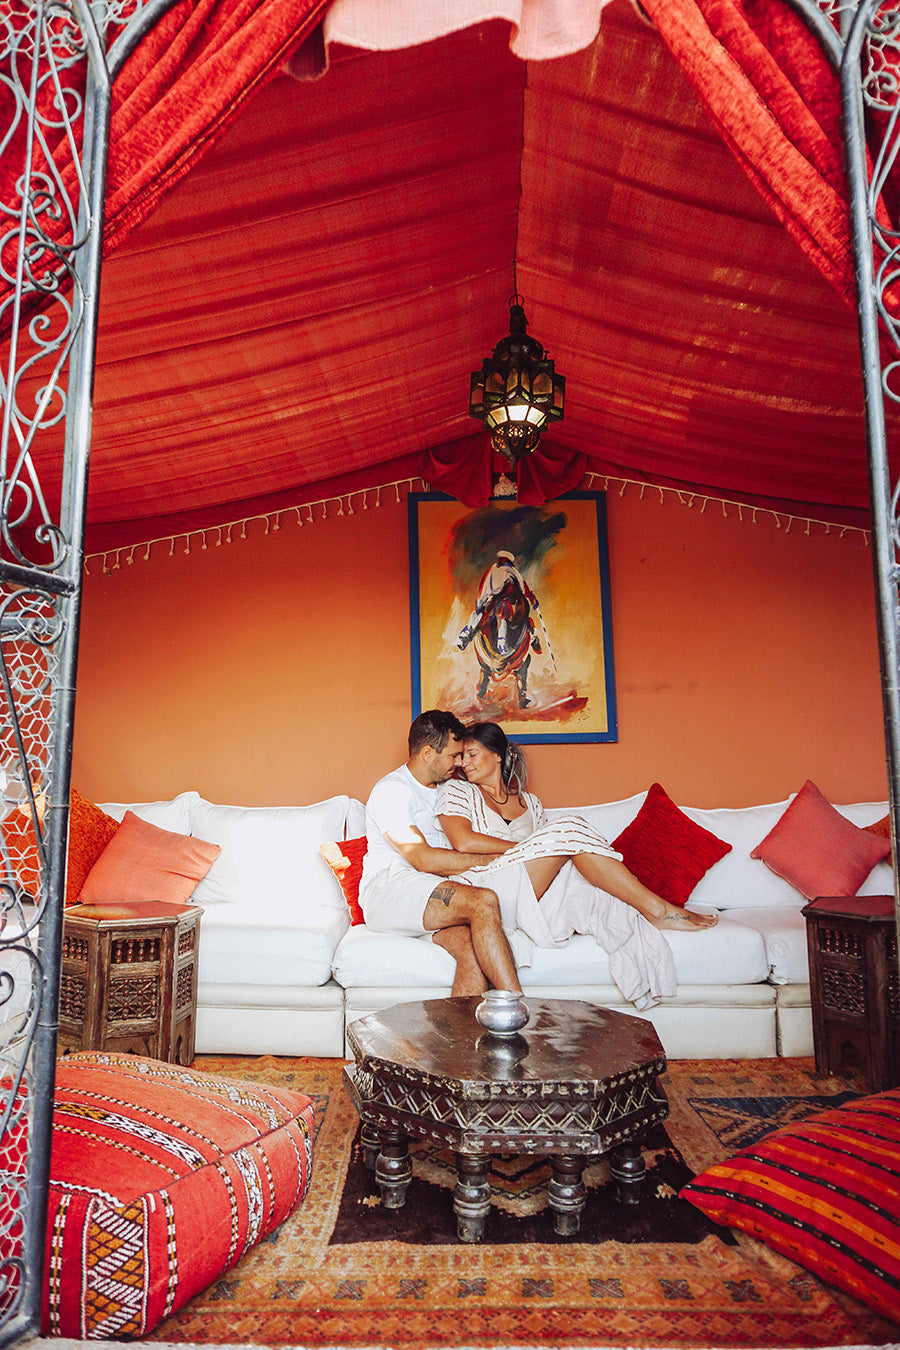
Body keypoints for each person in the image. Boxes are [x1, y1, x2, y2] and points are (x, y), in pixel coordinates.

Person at [434, 722, 718, 1010]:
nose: (463, 763)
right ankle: (657, 908)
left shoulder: (531, 803)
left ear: (497, 755)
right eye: (461, 756)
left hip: (530, 895)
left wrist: (542, 849)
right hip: (484, 887)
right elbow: (463, 842)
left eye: (471, 754)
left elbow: (548, 861)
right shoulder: (457, 790)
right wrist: (529, 847)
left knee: (580, 869)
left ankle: (648, 911)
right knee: (569, 827)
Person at [359, 709, 523, 998]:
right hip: (391, 891)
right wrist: (498, 859)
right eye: (453, 755)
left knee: (473, 952)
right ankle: (518, 1006)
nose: (459, 763)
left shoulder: (450, 790)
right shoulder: (392, 791)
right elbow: (423, 859)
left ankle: (460, 1030)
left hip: (431, 893)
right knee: (483, 901)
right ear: (427, 753)